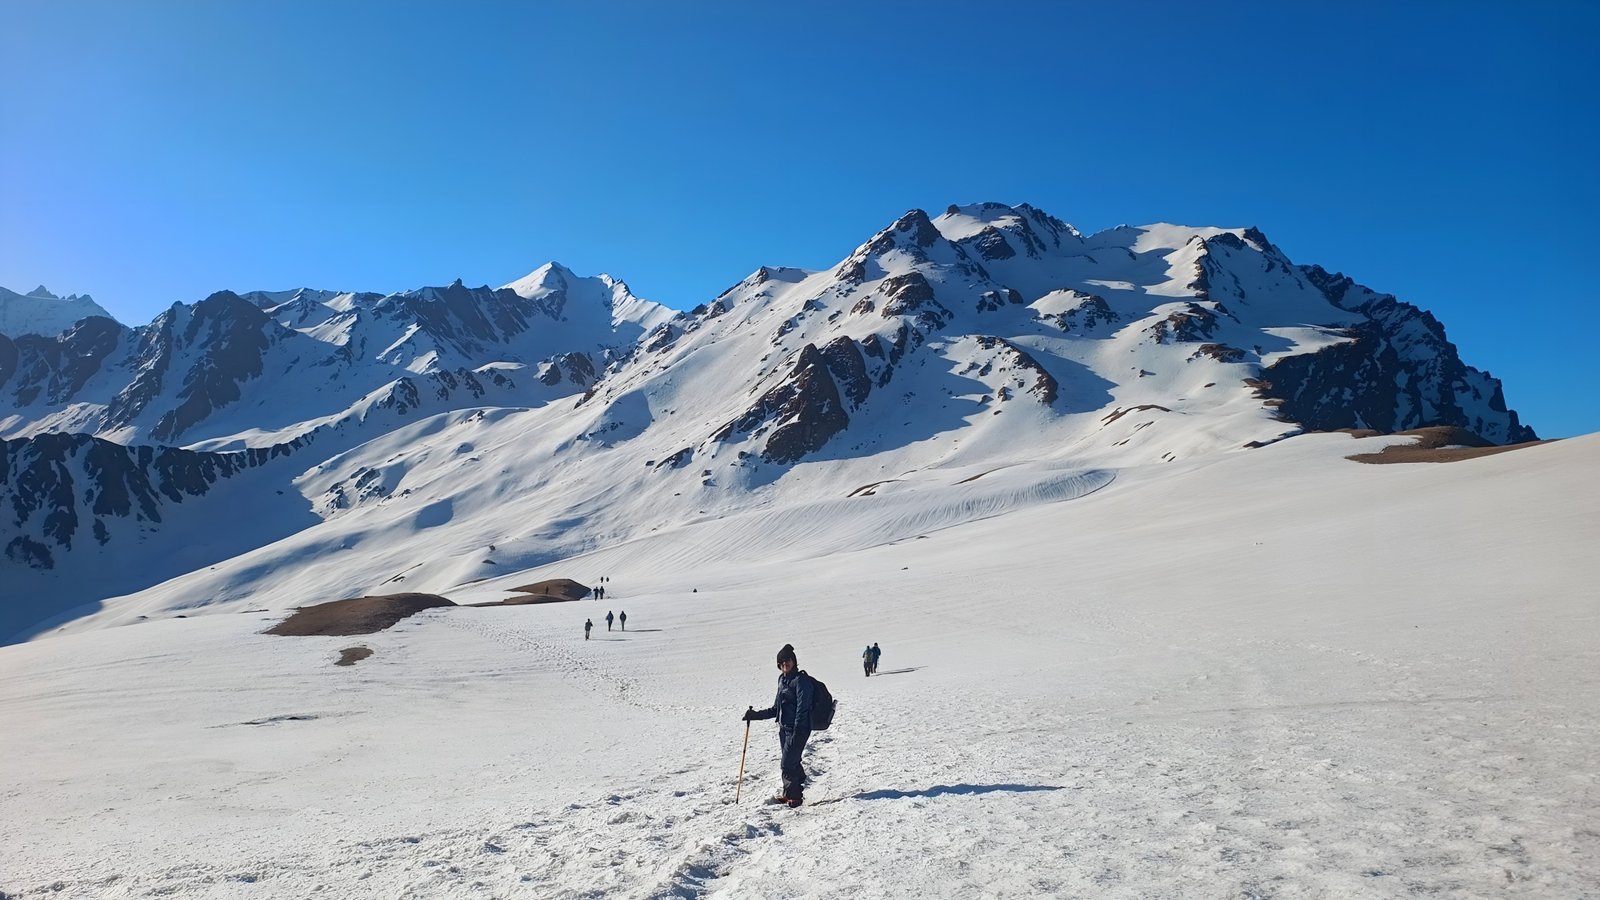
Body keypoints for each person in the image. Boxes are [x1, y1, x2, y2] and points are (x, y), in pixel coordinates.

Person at [743, 643, 813, 808]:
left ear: (794, 661)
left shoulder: (801, 681)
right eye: (781, 663)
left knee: (787, 764)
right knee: (791, 762)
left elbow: (802, 709)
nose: (784, 665)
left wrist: (797, 730)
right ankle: (793, 789)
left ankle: (794, 797)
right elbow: (776, 709)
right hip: (784, 729)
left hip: (799, 729)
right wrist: (755, 715)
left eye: (787, 660)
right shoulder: (782, 680)